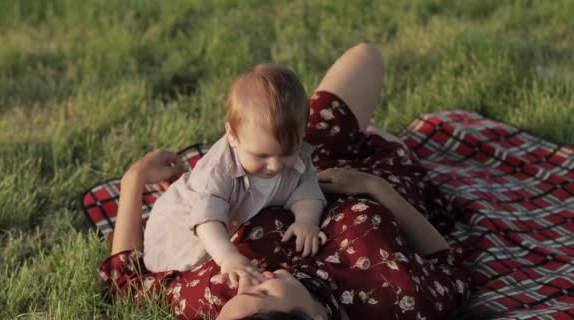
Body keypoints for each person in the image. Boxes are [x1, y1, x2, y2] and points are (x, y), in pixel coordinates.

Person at [98, 43, 472, 320]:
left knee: (364, 56)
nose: (245, 282)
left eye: (230, 301)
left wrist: (135, 179)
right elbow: (450, 265)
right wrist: (376, 189)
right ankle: (370, 140)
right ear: (316, 317)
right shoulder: (395, 298)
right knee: (366, 58)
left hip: (293, 156)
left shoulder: (220, 291)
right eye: (261, 290)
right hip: (343, 172)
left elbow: (125, 282)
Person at [143, 64, 328, 288]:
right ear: (233, 135)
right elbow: (206, 220)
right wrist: (227, 256)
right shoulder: (218, 170)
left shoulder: (297, 158)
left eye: (288, 152)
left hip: (232, 220)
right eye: (261, 155)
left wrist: (306, 220)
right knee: (199, 265)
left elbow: (307, 189)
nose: (276, 165)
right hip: (181, 228)